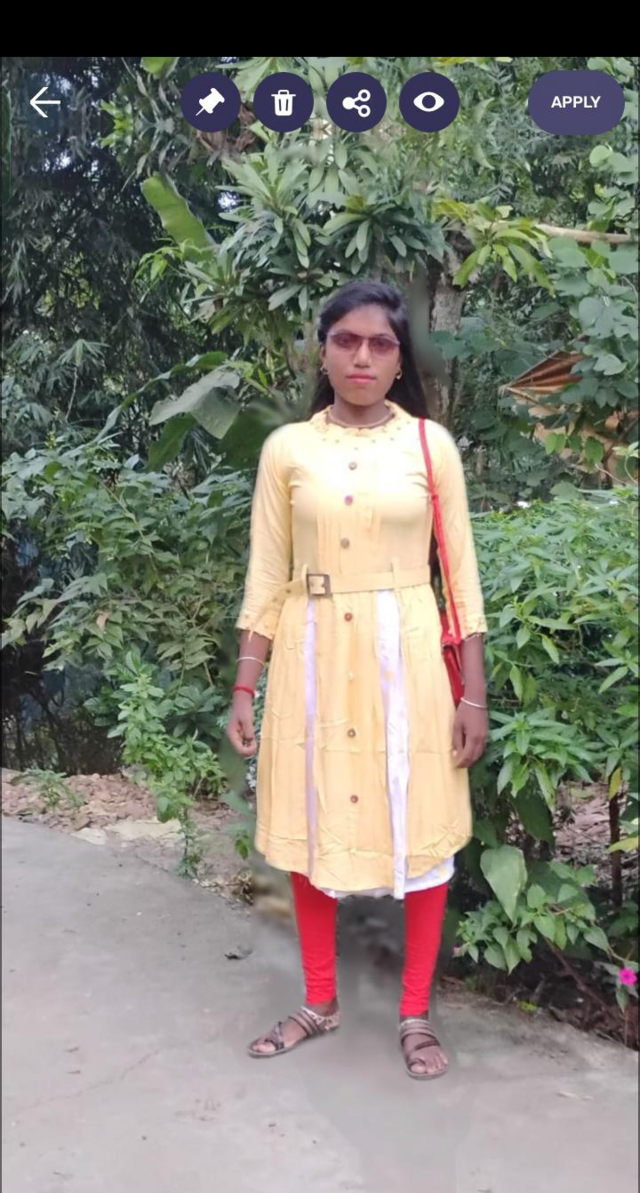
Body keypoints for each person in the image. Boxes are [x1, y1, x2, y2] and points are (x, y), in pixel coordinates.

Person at [226, 279, 489, 1080]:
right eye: (346, 340)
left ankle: (415, 1013)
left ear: (400, 358)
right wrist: (245, 685)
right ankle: (319, 1000)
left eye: (380, 343)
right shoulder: (288, 451)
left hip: (405, 657)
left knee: (422, 823)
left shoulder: (429, 447)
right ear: (324, 351)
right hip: (310, 655)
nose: (362, 356)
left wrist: (473, 694)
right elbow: (267, 572)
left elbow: (461, 578)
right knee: (309, 824)